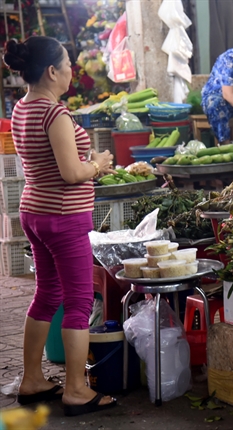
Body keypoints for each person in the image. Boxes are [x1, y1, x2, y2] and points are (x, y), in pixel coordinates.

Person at [3, 36, 117, 416]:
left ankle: (32, 379)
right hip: (63, 217)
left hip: (35, 211)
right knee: (80, 301)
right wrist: (98, 164)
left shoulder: (22, 108)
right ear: (52, 71)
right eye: (68, 64)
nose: (72, 71)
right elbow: (71, 173)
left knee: (48, 295)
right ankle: (76, 388)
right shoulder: (55, 114)